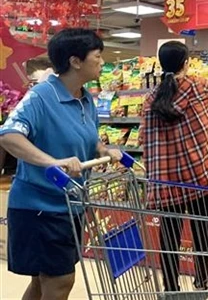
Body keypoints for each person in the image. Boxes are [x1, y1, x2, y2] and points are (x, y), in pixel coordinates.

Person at [0, 28, 122, 300]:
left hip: (69, 204)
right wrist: (53, 162)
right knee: (60, 280)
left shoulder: (85, 98)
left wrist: (104, 149)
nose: (102, 63)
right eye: (98, 56)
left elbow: (87, 138)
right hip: (41, 206)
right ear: (75, 61)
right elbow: (9, 136)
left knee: (43, 282)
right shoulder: (42, 96)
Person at [140, 41, 208, 293]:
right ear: (186, 63)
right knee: (202, 228)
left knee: (169, 236)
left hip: (167, 179)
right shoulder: (197, 86)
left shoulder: (151, 99)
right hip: (199, 174)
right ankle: (203, 279)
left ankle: (170, 287)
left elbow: (143, 138)